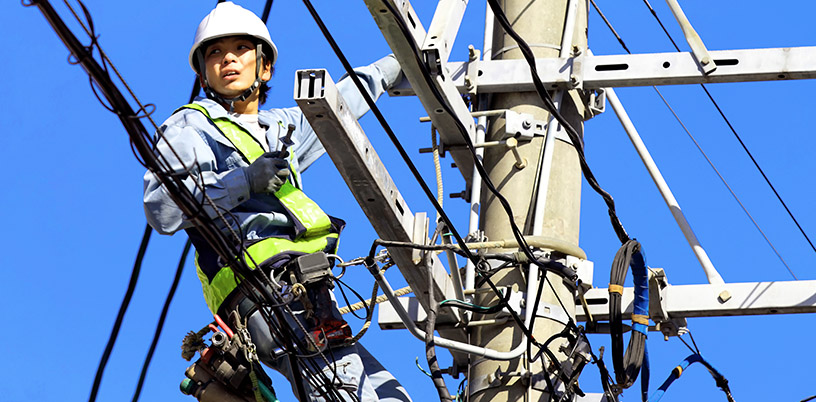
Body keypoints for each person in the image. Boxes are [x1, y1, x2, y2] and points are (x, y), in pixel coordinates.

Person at [142, 2, 410, 401]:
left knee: (389, 394)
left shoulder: (281, 128)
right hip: (263, 295)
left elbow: (345, 100)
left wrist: (401, 61)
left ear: (264, 67)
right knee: (344, 391)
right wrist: (244, 181)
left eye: (240, 48)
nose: (227, 58)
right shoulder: (189, 125)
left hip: (310, 289)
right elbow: (162, 208)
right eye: (214, 52)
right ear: (202, 73)